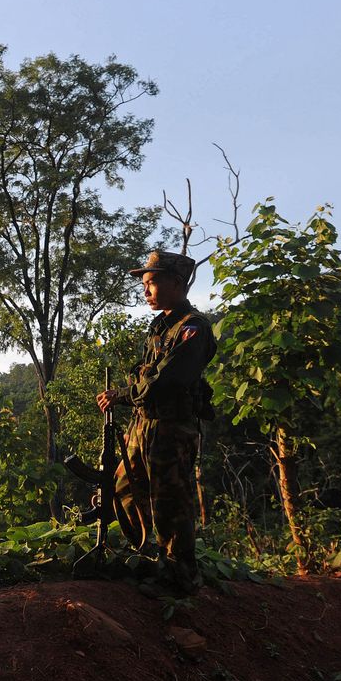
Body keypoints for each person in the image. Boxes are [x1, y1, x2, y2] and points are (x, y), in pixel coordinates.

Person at [96, 251, 217, 594]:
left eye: (151, 283)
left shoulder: (193, 328)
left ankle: (181, 581)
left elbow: (167, 381)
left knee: (170, 504)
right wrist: (128, 393)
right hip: (143, 425)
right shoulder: (160, 326)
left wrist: (122, 394)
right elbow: (145, 374)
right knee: (123, 487)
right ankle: (150, 555)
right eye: (144, 285)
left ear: (176, 284)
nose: (145, 291)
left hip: (172, 429)